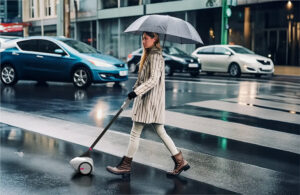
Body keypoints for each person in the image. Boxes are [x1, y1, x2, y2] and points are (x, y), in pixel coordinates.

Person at [106, 31, 190, 177]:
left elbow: (153, 80)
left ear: (154, 38)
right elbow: (143, 78)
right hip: (149, 100)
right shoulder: (149, 55)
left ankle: (125, 165)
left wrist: (137, 92)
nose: (143, 41)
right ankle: (180, 161)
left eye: (146, 38)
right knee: (160, 131)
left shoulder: (156, 56)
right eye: (142, 38)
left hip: (148, 101)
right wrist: (134, 90)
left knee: (135, 133)